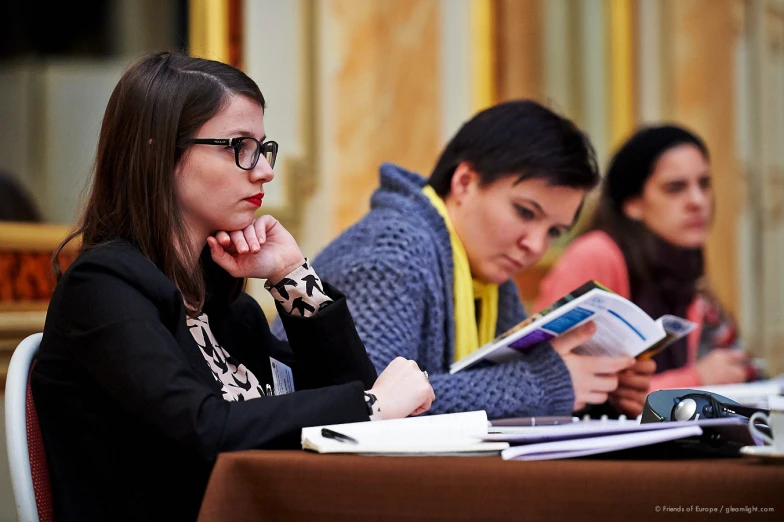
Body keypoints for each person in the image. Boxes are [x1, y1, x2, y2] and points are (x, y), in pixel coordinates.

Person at [30, 51, 434, 522]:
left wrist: (291, 276)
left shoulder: (224, 305)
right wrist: (371, 406)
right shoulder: (100, 288)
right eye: (239, 146)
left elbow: (350, 403)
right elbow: (204, 430)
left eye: (263, 148)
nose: (264, 170)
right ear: (159, 152)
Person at [274, 100, 655, 420]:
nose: (535, 245)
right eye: (525, 212)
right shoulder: (392, 250)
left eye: (555, 231)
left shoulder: (488, 272)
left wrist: (598, 387)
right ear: (464, 182)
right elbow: (372, 403)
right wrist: (547, 383)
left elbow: (498, 389)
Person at [536, 124, 749, 392]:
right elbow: (552, 384)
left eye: (704, 184)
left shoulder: (684, 266)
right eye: (675, 188)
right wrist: (697, 379)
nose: (698, 201)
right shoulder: (596, 254)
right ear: (632, 203)